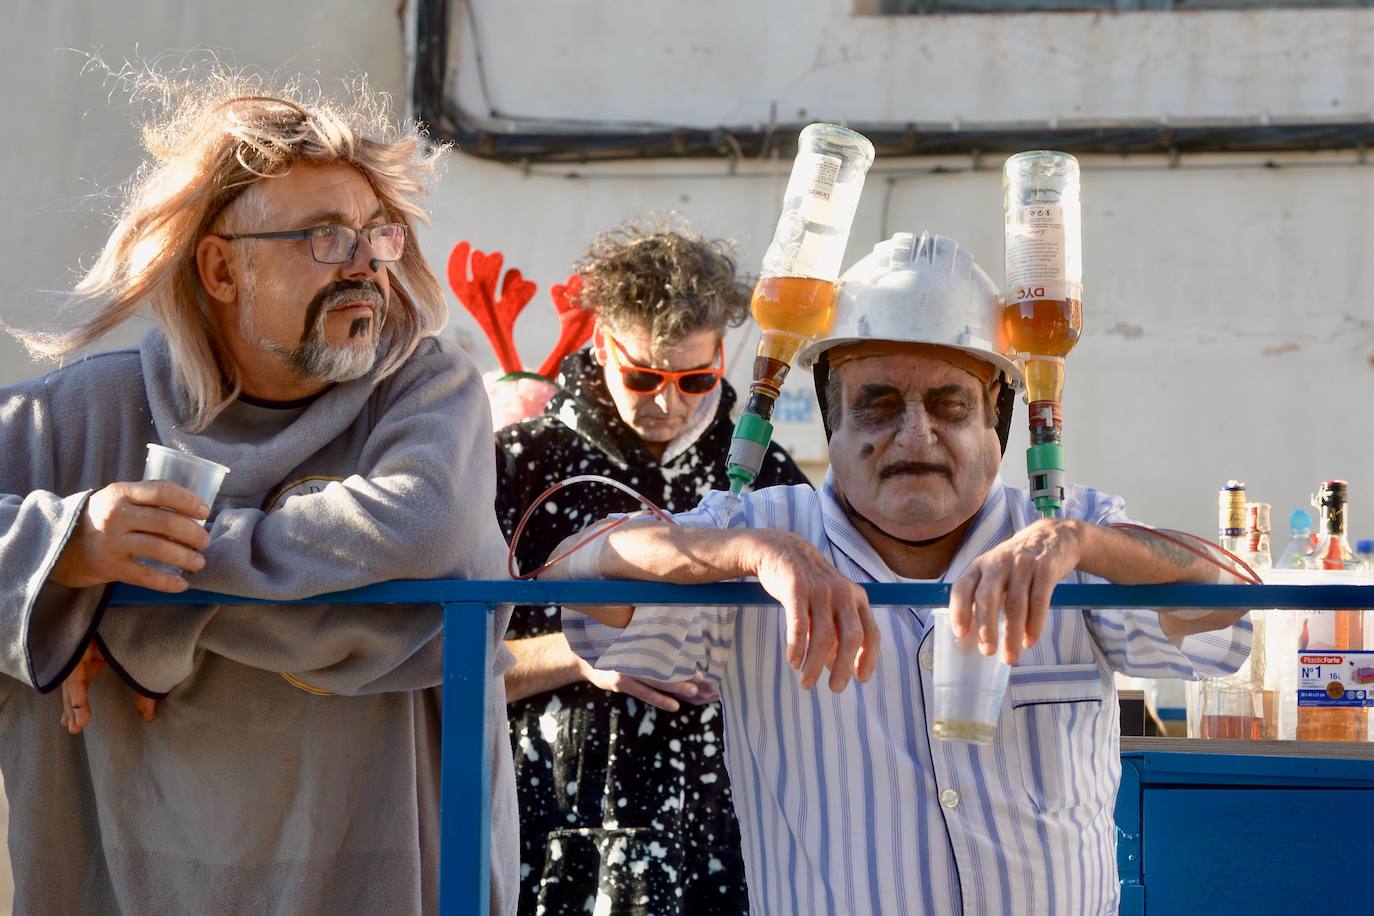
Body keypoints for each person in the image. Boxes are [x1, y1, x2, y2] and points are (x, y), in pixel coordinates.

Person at [547, 232, 1253, 915]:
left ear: (997, 424)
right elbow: (582, 570)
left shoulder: (1076, 540)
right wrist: (755, 554)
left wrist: (1081, 542)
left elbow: (1226, 597)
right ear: (835, 427)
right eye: (878, 405)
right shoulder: (765, 538)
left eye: (949, 405)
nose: (915, 436)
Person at [0, 75, 517, 916]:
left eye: (373, 234)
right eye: (321, 236)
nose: (363, 264)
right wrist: (72, 541)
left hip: (381, 880)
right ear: (221, 267)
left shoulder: (426, 392)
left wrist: (120, 602)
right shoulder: (82, 416)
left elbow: (419, 538)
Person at [495, 225, 810, 913]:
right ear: (600, 344)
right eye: (643, 376)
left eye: (695, 379)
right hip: (552, 835)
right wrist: (578, 656)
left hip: (727, 836)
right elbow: (440, 661)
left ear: (723, 355)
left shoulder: (765, 475)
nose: (668, 403)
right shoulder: (518, 465)